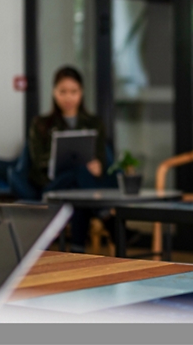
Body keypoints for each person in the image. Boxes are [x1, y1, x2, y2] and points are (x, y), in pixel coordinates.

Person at [28, 66, 115, 252]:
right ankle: (106, 216)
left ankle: (78, 249)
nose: (68, 97)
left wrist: (97, 166)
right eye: (63, 92)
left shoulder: (94, 123)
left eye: (73, 92)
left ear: (81, 92)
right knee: (79, 173)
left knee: (78, 189)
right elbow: (36, 165)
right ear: (54, 92)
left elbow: (101, 162)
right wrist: (57, 159)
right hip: (53, 186)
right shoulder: (41, 124)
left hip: (80, 186)